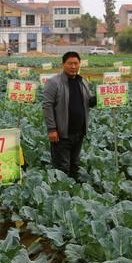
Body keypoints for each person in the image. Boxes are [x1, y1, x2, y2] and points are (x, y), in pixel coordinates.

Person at [42, 51, 97, 179]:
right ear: (63, 64)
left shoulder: (82, 82)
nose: (73, 67)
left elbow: (89, 102)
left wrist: (102, 96)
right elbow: (47, 106)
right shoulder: (53, 82)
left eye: (76, 63)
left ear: (79, 64)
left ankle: (73, 189)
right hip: (61, 134)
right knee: (62, 167)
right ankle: (60, 189)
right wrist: (51, 129)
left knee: (75, 164)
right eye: (70, 63)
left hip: (79, 132)